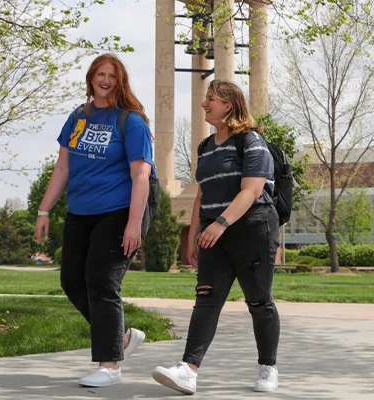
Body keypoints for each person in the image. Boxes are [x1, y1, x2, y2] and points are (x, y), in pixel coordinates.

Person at [152, 79, 280, 394]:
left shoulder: (251, 141)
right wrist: (196, 231)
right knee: (206, 300)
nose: (203, 104)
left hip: (252, 229)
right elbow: (202, 193)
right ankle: (188, 370)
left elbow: (251, 191)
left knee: (259, 301)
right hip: (214, 232)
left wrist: (220, 223)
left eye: (210, 99)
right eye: (205, 98)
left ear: (228, 105)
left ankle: (268, 367)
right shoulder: (205, 147)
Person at [35, 53, 155, 388]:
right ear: (91, 78)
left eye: (112, 76)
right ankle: (123, 336)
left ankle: (109, 365)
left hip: (118, 209)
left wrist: (134, 224)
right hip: (80, 210)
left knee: (102, 281)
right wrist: (44, 210)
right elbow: (63, 168)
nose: (105, 81)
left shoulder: (130, 121)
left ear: (121, 82)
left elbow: (141, 175)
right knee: (72, 281)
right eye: (100, 74)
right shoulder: (77, 117)